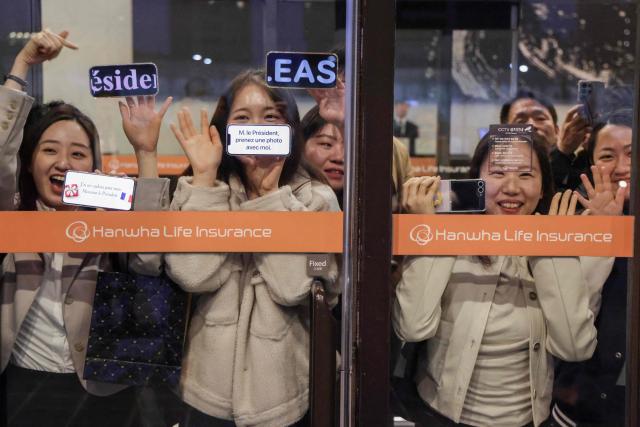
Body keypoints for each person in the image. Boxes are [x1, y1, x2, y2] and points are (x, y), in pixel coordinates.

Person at [0, 30, 172, 426]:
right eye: (49, 150)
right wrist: (22, 63)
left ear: (93, 166)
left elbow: (148, 261)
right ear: (29, 162)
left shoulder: (107, 220)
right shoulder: (13, 217)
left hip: (101, 392)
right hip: (22, 384)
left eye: (78, 153)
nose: (63, 163)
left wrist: (146, 153)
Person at [393, 131, 611, 427]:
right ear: (476, 181)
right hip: (438, 415)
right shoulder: (450, 236)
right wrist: (431, 233)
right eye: (497, 173)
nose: (511, 188)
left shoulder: (561, 241)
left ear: (544, 187)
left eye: (525, 174)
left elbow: (574, 347)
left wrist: (553, 252)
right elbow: (413, 326)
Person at [165, 69, 340, 427]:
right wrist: (203, 181)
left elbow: (294, 289)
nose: (256, 128)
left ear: (290, 129)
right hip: (205, 392)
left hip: (285, 396)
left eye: (270, 118)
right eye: (242, 118)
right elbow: (192, 276)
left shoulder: (317, 199)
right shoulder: (201, 191)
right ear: (224, 129)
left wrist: (270, 198)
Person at [549, 110, 631, 427]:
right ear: (590, 165)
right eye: (607, 156)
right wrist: (601, 235)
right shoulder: (572, 224)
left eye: (631, 154)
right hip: (581, 404)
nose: (621, 167)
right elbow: (568, 313)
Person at [500, 89, 591, 192]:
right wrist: (561, 151)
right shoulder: (495, 173)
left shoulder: (578, 165)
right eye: (520, 121)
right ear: (504, 133)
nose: (532, 125)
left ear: (557, 131)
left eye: (540, 118)